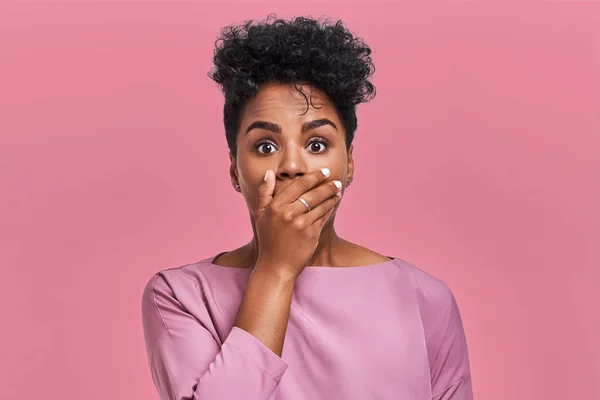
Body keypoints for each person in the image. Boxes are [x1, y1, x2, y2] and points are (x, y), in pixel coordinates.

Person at [140, 14, 473, 400]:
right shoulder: (180, 296)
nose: (293, 166)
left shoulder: (424, 298)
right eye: (265, 146)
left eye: (317, 144)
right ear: (235, 169)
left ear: (349, 164)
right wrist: (276, 269)